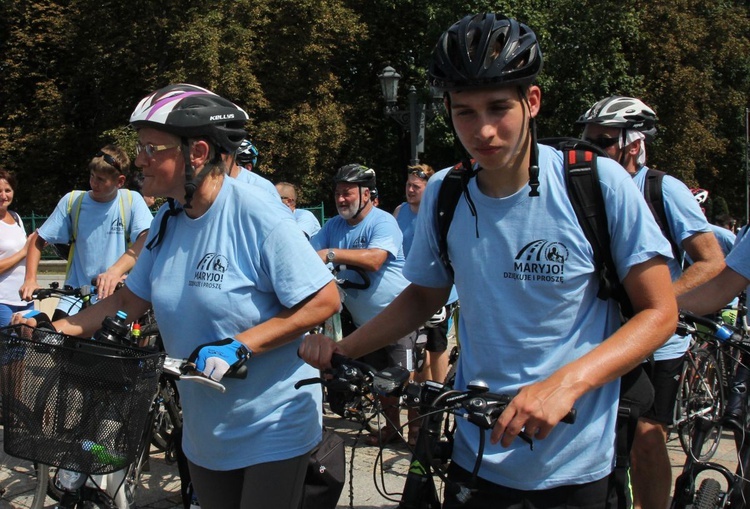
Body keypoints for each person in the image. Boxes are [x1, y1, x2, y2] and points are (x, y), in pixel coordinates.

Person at [300, 13, 677, 508]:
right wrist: (344, 349)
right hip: (475, 449)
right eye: (464, 112)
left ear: (532, 102)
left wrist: (568, 383)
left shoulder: (597, 184)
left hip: (574, 458)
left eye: (499, 108)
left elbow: (660, 312)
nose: (483, 130)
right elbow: (424, 295)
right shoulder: (445, 193)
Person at [14, 83, 339, 509]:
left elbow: (325, 299)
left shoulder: (257, 216)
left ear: (197, 153)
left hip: (272, 422)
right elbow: (128, 301)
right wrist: (53, 327)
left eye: (152, 148)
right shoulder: (167, 218)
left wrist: (242, 345)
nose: (139, 160)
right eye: (140, 146)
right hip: (205, 427)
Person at [578, 95, 725, 509]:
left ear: (634, 145)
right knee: (600, 436)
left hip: (659, 339)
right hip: (606, 335)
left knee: (645, 436)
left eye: (603, 143)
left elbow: (711, 261)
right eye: (585, 142)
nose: (591, 152)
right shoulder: (584, 186)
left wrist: (654, 302)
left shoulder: (663, 189)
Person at [310, 164, 416, 446]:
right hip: (365, 323)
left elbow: (375, 259)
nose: (341, 199)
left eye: (347, 193)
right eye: (337, 194)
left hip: (397, 318)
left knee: (405, 380)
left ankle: (418, 434)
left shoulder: (382, 221)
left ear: (366, 194)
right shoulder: (333, 225)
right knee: (381, 380)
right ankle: (393, 429)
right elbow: (308, 253)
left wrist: (330, 254)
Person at [19, 145, 154, 318]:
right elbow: (38, 239)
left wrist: (115, 271)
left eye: (101, 179)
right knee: (54, 340)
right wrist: (30, 279)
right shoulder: (73, 201)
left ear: (119, 181)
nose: (93, 183)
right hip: (75, 296)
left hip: (117, 294)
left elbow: (147, 237)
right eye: (92, 176)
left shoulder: (131, 200)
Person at [393, 164, 456, 386]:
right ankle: (419, 396)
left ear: (428, 189)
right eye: (408, 185)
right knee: (414, 346)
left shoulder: (439, 211)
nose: (410, 190)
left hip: (438, 290)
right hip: (409, 288)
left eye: (416, 186)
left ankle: (438, 395)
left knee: (435, 346)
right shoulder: (400, 212)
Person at [0, 169, 33, 326]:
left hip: (24, 298)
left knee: (24, 347)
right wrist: (23, 252)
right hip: (2, 301)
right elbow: (22, 252)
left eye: (8, 190)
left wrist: (33, 244)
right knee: (8, 349)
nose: (3, 196)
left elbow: (26, 249)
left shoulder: (16, 217)